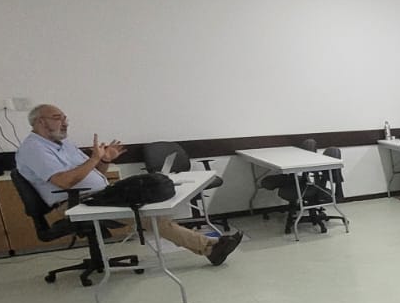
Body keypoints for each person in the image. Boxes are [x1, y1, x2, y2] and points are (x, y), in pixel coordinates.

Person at [16, 104, 243, 266]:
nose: (65, 122)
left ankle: (210, 246)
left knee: (150, 202)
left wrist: (104, 161)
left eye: (65, 117)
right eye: (58, 118)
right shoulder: (35, 149)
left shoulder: (63, 144)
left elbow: (93, 174)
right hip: (72, 204)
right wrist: (94, 159)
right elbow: (65, 181)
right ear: (40, 122)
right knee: (148, 215)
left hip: (96, 196)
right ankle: (210, 247)